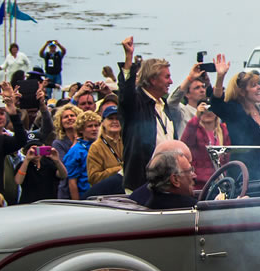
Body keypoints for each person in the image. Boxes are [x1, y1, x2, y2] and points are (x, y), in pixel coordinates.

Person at [118, 35, 176, 191]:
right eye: (167, 77)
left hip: (168, 182)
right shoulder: (136, 104)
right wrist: (129, 57)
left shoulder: (163, 106)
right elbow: (126, 93)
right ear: (153, 80)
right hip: (141, 185)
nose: (171, 81)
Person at [210, 57, 260, 175]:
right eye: (254, 85)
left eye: (258, 84)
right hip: (242, 173)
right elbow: (216, 104)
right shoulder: (234, 112)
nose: (259, 87)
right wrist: (220, 77)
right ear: (242, 92)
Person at [182, 102, 229, 186]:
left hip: (220, 180)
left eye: (211, 110)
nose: (208, 113)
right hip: (199, 182)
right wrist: (197, 117)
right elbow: (185, 143)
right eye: (204, 111)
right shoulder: (194, 128)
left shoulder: (223, 129)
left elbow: (227, 156)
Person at [86, 103, 126, 193]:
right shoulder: (96, 147)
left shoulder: (127, 142)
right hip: (105, 196)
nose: (115, 121)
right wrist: (119, 170)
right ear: (103, 123)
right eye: (110, 118)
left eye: (118, 118)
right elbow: (93, 178)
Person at [62, 110, 101, 200]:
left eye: (96, 125)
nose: (94, 129)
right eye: (90, 126)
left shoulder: (103, 145)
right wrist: (77, 203)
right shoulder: (75, 151)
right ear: (81, 130)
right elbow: (72, 182)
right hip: (86, 197)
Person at [167, 63, 209, 134]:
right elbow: (171, 102)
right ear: (187, 94)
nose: (202, 90)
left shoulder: (209, 113)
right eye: (197, 88)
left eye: (203, 86)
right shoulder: (182, 112)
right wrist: (190, 78)